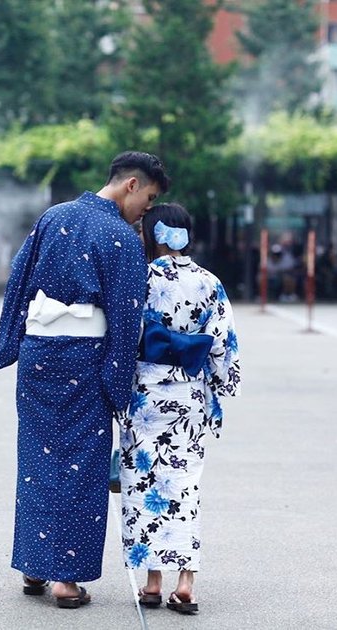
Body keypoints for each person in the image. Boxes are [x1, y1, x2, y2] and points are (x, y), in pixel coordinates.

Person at [0, 151, 170, 609]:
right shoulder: (121, 237)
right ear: (132, 185)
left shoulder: (54, 217)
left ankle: (35, 566)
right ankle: (66, 580)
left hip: (38, 353)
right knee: (82, 464)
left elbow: (19, 279)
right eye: (148, 199)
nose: (146, 211)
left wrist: (9, 342)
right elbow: (126, 318)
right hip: (85, 358)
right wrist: (119, 385)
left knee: (37, 457)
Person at [119, 203, 240, 615]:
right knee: (184, 485)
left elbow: (124, 336)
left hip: (146, 395)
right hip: (189, 395)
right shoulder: (210, 281)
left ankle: (152, 582)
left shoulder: (139, 278)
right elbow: (223, 344)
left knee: (143, 484)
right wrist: (220, 387)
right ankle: (185, 581)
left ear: (150, 236)